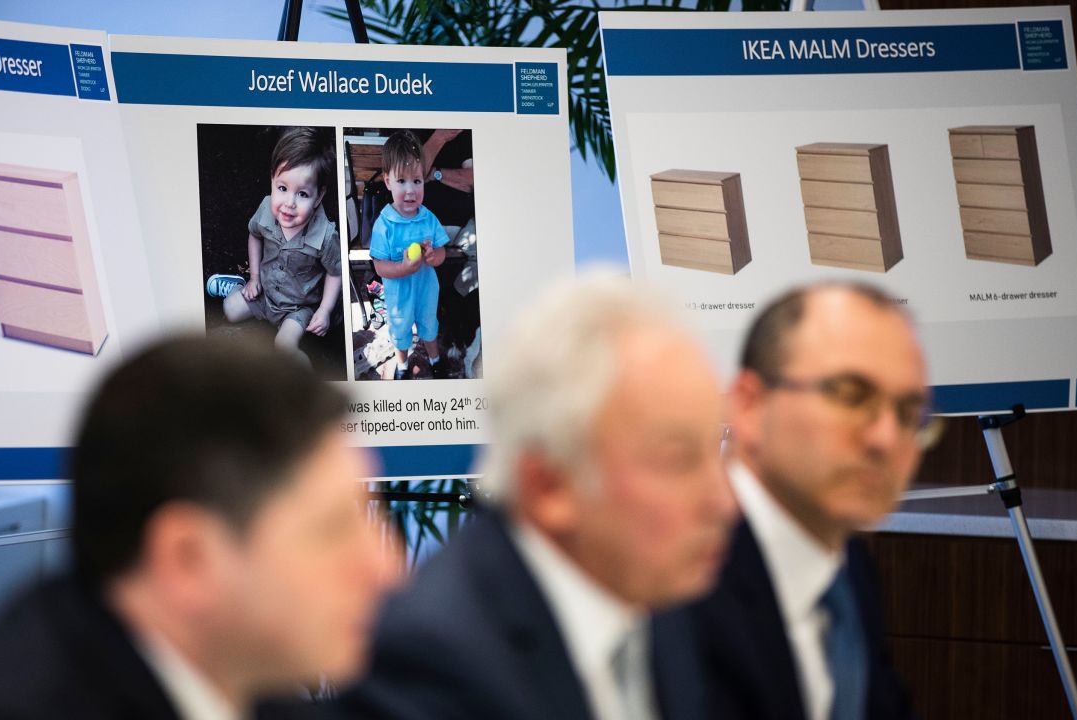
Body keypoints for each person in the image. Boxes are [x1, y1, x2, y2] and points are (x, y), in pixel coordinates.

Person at [0, 337, 397, 720]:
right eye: (331, 530)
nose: (387, 571)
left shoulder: (250, 680)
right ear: (187, 560)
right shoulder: (8, 707)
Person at [337, 272, 737, 720]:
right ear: (550, 485)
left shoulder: (673, 604)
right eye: (679, 460)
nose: (724, 502)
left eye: (718, 449)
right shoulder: (435, 665)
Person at [674, 282, 930, 720]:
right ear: (750, 406)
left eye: (909, 412)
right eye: (849, 395)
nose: (886, 438)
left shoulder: (847, 569)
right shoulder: (678, 580)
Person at [207, 126, 342, 365]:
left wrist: (324, 310)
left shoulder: (324, 235)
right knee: (230, 309)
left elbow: (335, 272)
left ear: (319, 196)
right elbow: (254, 235)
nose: (289, 203)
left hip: (297, 307)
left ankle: (303, 381)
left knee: (283, 346)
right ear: (272, 181)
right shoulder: (267, 210)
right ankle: (239, 286)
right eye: (282, 189)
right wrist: (255, 277)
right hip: (265, 290)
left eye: (302, 194)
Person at [369, 129, 450, 380]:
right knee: (400, 331)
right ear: (387, 181)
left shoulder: (428, 218)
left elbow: (442, 252)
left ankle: (434, 358)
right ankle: (402, 364)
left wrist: (433, 256)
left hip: (426, 289)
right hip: (399, 296)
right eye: (401, 181)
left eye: (417, 181)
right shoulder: (384, 224)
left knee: (429, 326)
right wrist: (403, 269)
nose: (410, 190)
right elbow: (380, 267)